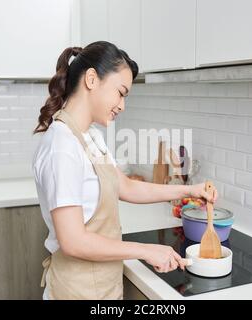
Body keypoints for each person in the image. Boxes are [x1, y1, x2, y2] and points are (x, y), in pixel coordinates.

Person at [32, 41, 218, 299]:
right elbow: (72, 240)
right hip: (77, 290)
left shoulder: (90, 137)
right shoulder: (62, 146)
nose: (122, 105)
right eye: (120, 92)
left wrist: (190, 190)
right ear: (91, 79)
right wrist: (145, 250)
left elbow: (126, 186)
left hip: (102, 286)